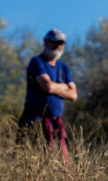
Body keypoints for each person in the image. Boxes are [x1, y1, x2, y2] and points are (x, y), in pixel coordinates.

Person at [17, 29, 78, 161]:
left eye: (61, 43)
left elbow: (73, 95)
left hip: (56, 122)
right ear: (46, 42)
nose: (58, 46)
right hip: (35, 120)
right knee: (31, 158)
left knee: (61, 162)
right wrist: (65, 87)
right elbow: (47, 87)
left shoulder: (63, 67)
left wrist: (54, 86)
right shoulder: (37, 62)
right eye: (54, 42)